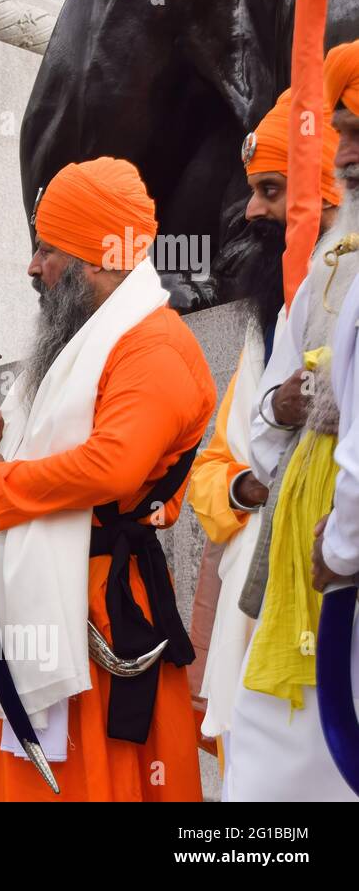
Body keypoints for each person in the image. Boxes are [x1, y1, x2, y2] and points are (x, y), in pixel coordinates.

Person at [0, 157, 216, 801]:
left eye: (46, 250)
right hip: (42, 599)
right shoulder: (88, 339)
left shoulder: (153, 345)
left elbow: (115, 465)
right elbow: (49, 446)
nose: (32, 268)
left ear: (97, 259)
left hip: (100, 613)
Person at [186, 88, 340, 775]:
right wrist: (254, 480)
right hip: (258, 602)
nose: (252, 211)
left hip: (333, 591)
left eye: (271, 189)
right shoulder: (268, 331)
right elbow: (213, 475)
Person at [231, 40, 359, 801]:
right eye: (339, 134)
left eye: (356, 134)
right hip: (304, 545)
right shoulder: (328, 264)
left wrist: (341, 545)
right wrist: (281, 410)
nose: (345, 152)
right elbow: (263, 422)